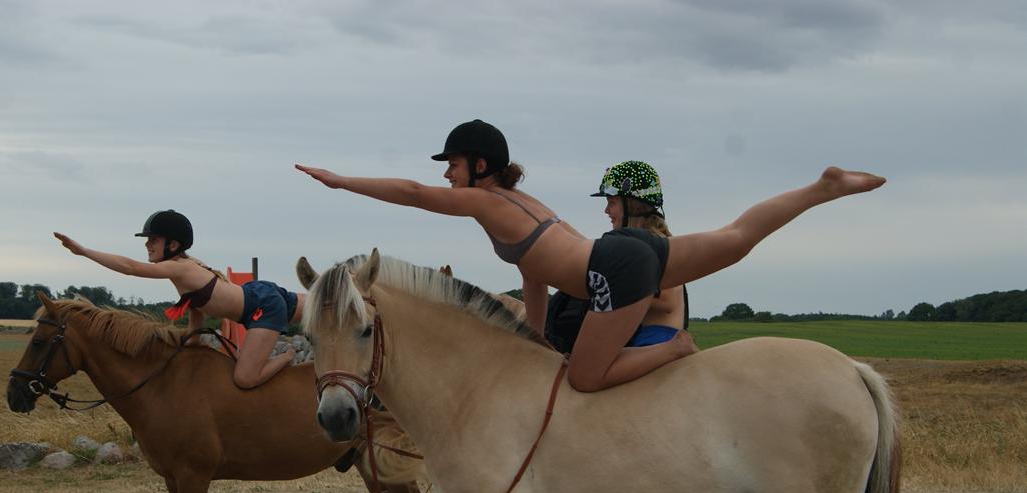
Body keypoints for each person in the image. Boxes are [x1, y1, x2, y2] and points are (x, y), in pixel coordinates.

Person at [296, 119, 885, 392]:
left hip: (609, 269)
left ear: (479, 165)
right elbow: (534, 280)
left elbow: (413, 194)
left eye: (452, 163)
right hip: (623, 254)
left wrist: (342, 181)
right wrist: (533, 340)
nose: (446, 176)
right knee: (735, 238)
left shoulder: (485, 202)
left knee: (584, 378)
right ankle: (822, 187)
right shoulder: (518, 204)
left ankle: (678, 347)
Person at [53, 209, 304, 389]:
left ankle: (288, 356)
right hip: (260, 295)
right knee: (331, 304)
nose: (148, 245)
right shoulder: (184, 268)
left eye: (153, 240)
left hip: (262, 307)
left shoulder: (179, 268)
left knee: (245, 378)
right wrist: (191, 344)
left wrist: (84, 251)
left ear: (172, 244)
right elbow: (197, 309)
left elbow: (131, 267)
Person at [547, 160, 688, 355]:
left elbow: (667, 301)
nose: (606, 211)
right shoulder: (644, 244)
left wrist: (606, 289)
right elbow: (597, 256)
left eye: (611, 202)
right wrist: (558, 226)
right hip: (642, 338)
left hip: (654, 341)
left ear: (632, 205)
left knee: (585, 373)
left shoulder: (656, 244)